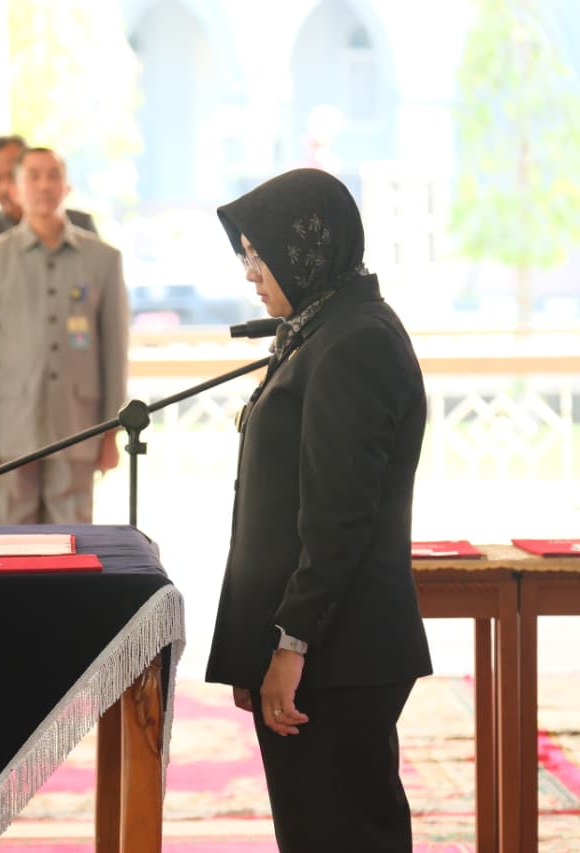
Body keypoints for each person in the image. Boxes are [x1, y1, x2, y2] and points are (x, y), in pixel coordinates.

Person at [204, 168, 431, 852]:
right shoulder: (320, 329)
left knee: (345, 833)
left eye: (258, 252)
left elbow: (338, 521)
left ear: (303, 248)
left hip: (337, 653)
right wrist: (253, 646)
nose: (250, 272)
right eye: (245, 254)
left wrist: (290, 646)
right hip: (317, 650)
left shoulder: (356, 342)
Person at [0, 147, 128, 525]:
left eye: (53, 175)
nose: (44, 185)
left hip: (79, 426)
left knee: (73, 538)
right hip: (8, 430)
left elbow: (114, 351)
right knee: (10, 542)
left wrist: (111, 431)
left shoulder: (103, 259)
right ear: (15, 189)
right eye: (33, 176)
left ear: (67, 187)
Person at [0, 134, 97, 399]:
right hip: (6, 397)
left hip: (74, 393)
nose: (5, 187)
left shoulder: (81, 229)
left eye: (12, 176)